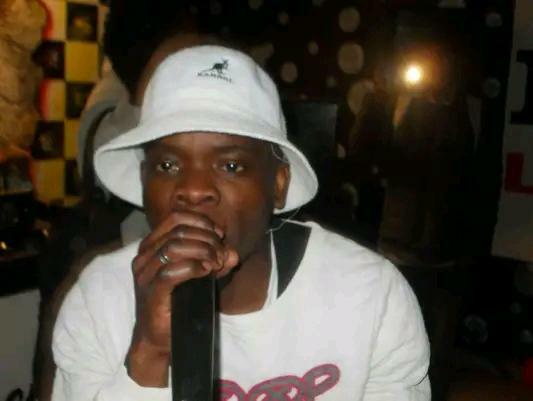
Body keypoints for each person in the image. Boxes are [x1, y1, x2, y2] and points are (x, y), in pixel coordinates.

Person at [51, 45, 430, 400]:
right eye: (167, 165)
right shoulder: (99, 301)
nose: (194, 190)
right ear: (143, 180)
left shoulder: (369, 296)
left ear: (277, 185)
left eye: (231, 165)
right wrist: (149, 353)